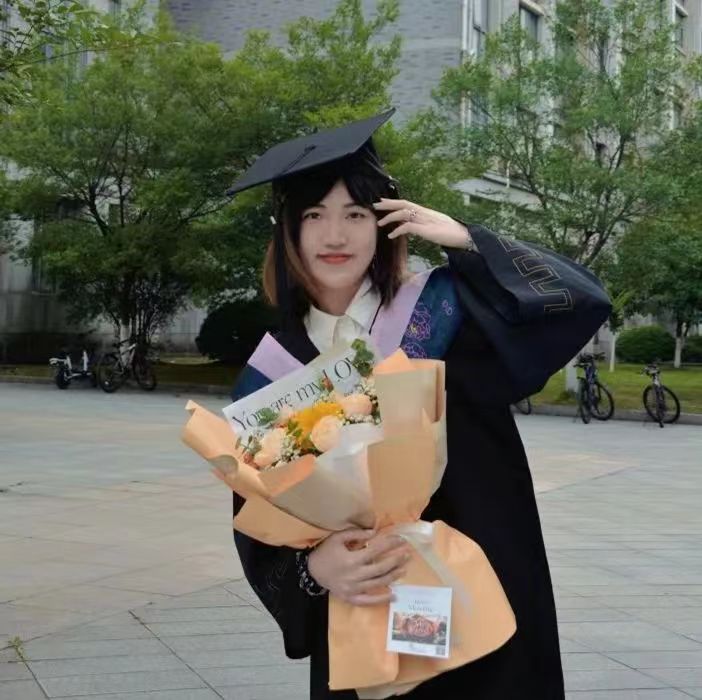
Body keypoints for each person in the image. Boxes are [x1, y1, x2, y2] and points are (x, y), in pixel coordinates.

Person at [227, 111, 612, 699]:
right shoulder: (273, 370)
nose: (336, 235)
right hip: (366, 608)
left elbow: (580, 302)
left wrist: (469, 241)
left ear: (386, 223)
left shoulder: (446, 312)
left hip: (482, 597)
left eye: (356, 214)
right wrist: (315, 570)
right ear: (289, 233)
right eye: (314, 215)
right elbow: (258, 518)